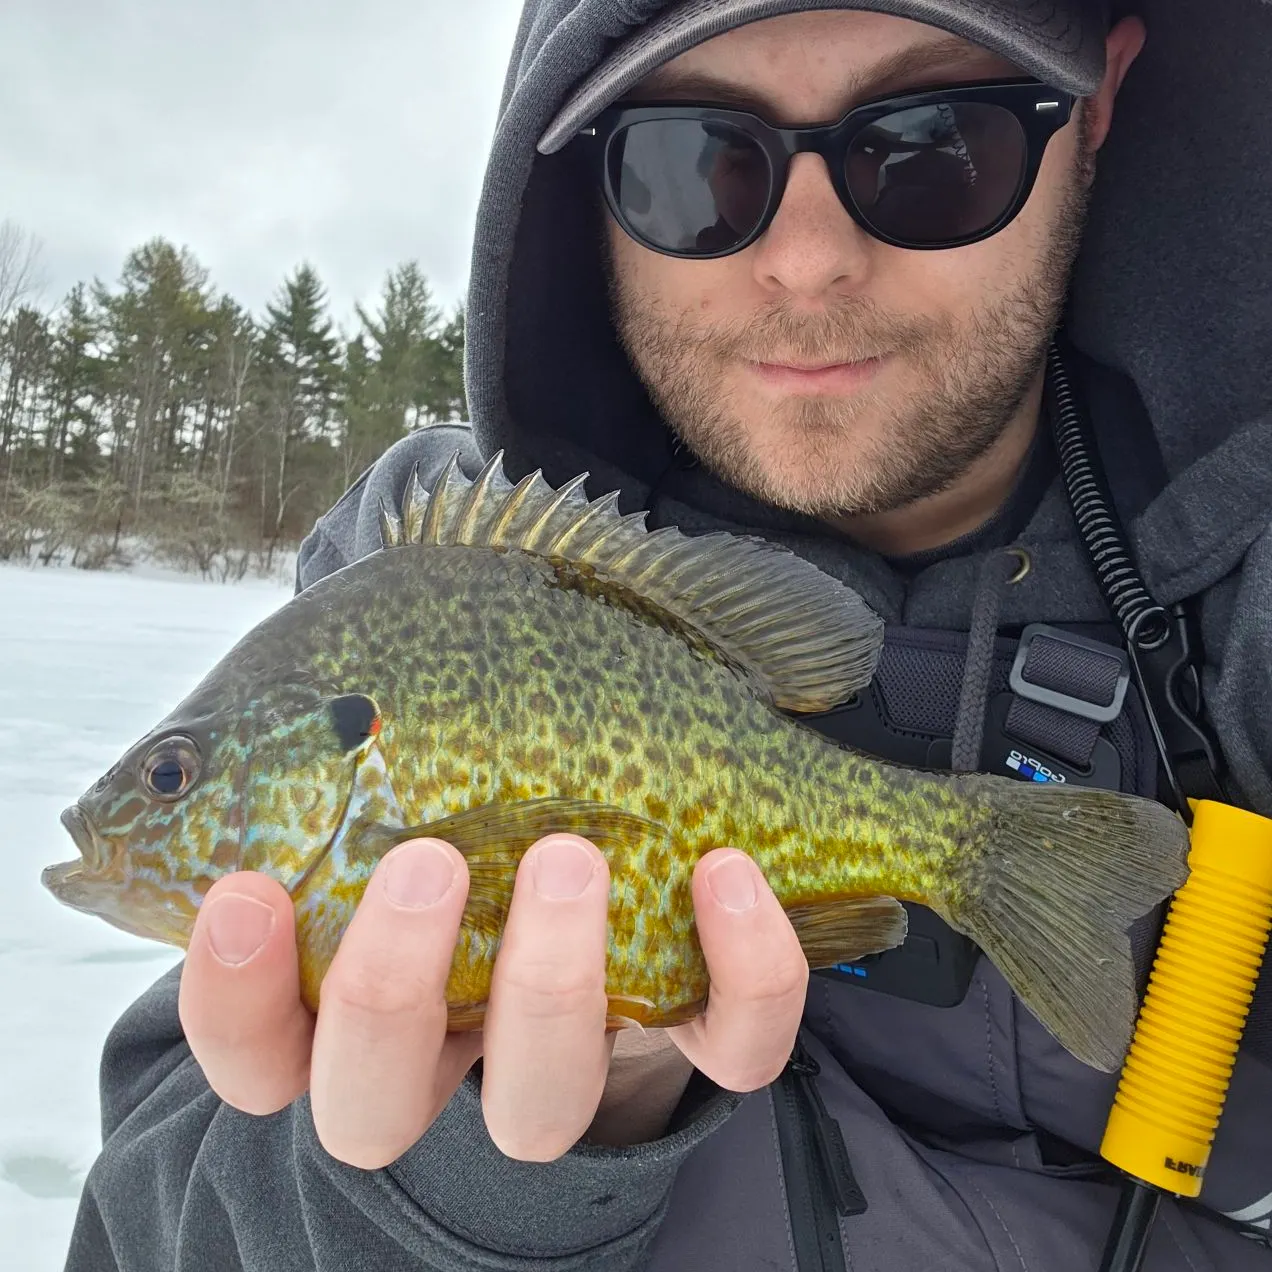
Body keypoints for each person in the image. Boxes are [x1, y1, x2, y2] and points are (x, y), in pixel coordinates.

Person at [64, 1, 1272, 1269]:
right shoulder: (405, 570)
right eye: (694, 162)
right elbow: (150, 1216)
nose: (808, 263)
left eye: (933, 145)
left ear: (1096, 110)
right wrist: (459, 1179)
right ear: (581, 173)